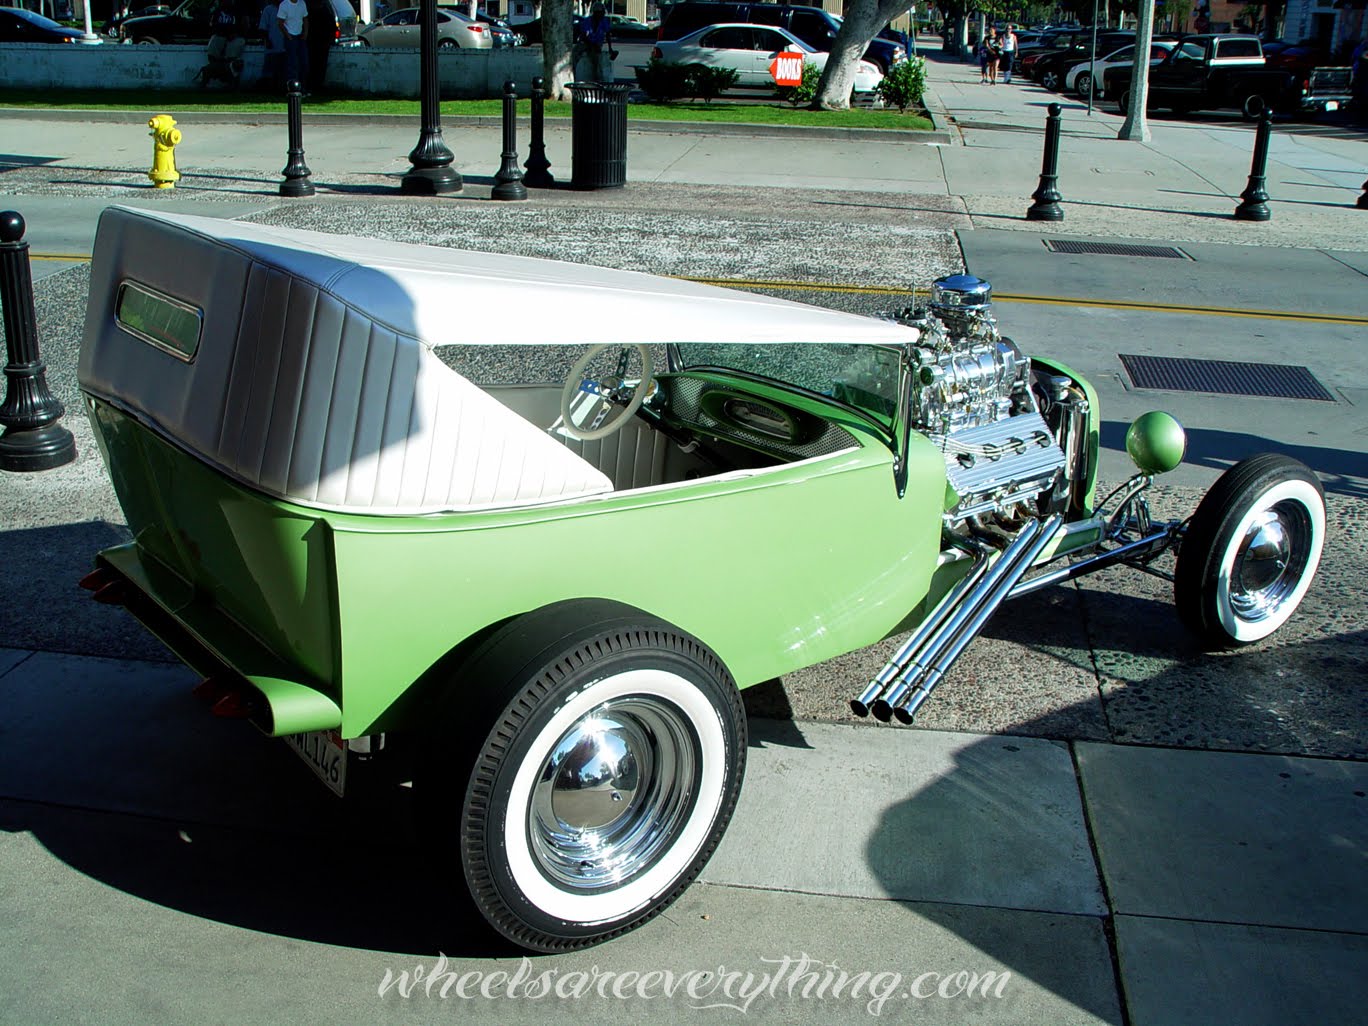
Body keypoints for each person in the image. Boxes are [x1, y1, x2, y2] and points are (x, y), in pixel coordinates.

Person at [199, 0, 247, 87]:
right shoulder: (216, 10)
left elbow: (244, 26)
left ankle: (231, 79)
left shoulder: (238, 9)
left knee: (234, 49)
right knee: (213, 44)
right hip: (220, 35)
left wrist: (236, 33)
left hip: (235, 36)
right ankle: (217, 72)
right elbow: (212, 25)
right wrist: (221, 33)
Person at [576, 2, 616, 84]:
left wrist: (610, 48)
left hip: (597, 44)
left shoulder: (604, 21)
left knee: (596, 59)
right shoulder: (587, 21)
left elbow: (608, 34)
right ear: (596, 13)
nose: (602, 15)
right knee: (575, 53)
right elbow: (584, 36)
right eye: (601, 12)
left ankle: (597, 78)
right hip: (586, 43)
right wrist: (592, 45)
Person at [276, 0, 308, 88]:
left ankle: (302, 87)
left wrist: (305, 33)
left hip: (300, 36)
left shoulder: (302, 3)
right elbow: (280, 23)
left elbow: (305, 19)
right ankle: (292, 87)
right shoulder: (284, 4)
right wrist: (288, 36)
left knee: (304, 62)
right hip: (290, 36)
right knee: (292, 63)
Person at [258, 0, 285, 88]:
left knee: (282, 70)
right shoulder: (268, 9)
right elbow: (262, 28)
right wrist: (267, 40)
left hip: (285, 46)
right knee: (269, 71)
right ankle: (268, 87)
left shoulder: (288, 9)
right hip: (272, 46)